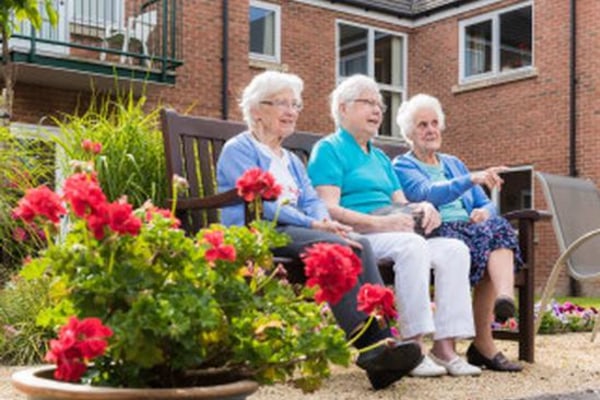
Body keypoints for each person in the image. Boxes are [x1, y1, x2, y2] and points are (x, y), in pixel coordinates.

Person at [216, 70, 422, 390]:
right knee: (340, 246)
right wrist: (313, 223)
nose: (291, 111)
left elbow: (311, 199)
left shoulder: (291, 160)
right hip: (259, 230)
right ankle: (372, 343)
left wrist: (324, 221)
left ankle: (381, 341)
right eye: (282, 103)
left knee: (357, 243)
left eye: (295, 105)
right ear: (257, 109)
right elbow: (260, 204)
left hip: (297, 231)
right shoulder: (239, 148)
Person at [307, 74, 481, 378]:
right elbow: (328, 209)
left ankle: (445, 348)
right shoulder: (329, 148)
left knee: (454, 249)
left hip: (391, 230)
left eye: (379, 104)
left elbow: (401, 202)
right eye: (368, 102)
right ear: (343, 108)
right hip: (360, 233)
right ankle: (411, 347)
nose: (377, 110)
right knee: (412, 245)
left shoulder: (379, 157)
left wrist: (424, 206)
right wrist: (381, 221)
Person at [392, 93, 523, 372]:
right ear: (409, 134)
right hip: (437, 231)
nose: (430, 130)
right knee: (492, 241)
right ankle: (484, 344)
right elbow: (426, 193)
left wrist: (484, 212)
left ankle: (503, 300)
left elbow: (484, 201)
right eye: (422, 125)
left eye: (435, 123)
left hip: (470, 232)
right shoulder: (403, 165)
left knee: (496, 228)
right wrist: (471, 178)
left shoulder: (452, 162)